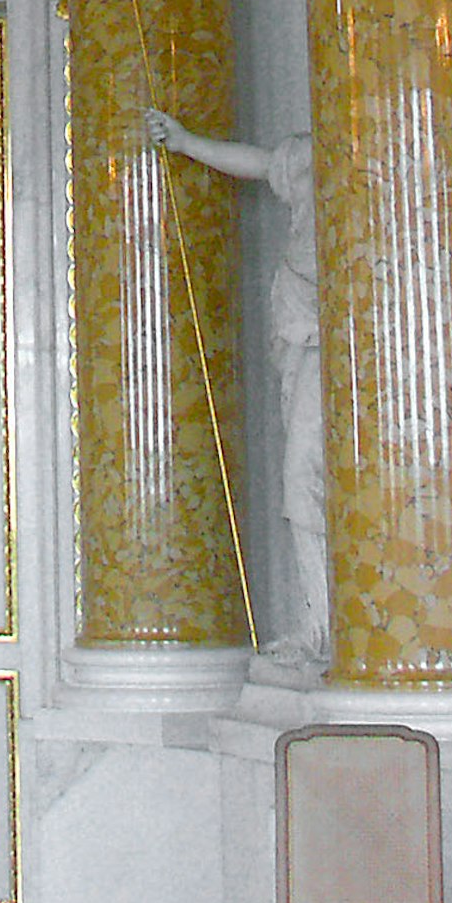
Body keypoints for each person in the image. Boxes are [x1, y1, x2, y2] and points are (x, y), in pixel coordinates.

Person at [141, 102, 325, 667]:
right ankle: (323, 627)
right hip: (308, 341)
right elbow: (263, 162)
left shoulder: (389, 158)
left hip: (359, 345)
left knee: (328, 483)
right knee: (302, 485)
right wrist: (186, 140)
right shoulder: (311, 156)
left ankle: (351, 629)